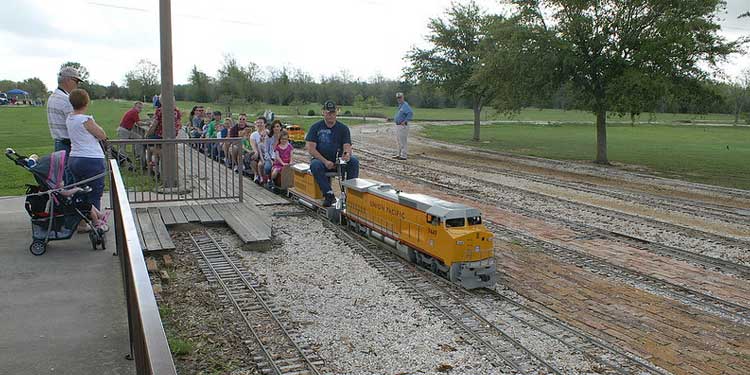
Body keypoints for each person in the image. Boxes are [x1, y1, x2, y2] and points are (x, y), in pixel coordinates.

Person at [66, 89, 109, 231]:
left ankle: (82, 223)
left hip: (74, 158)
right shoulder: (85, 119)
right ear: (86, 102)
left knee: (80, 191)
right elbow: (102, 135)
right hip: (91, 159)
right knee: (95, 192)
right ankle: (98, 224)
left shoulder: (70, 119)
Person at [305, 100, 359, 207]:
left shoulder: (343, 128)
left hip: (338, 162)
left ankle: (350, 194)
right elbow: (311, 149)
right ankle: (328, 194)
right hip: (322, 161)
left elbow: (347, 145)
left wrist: (346, 154)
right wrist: (325, 161)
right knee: (315, 165)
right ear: (323, 112)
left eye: (333, 113)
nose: (331, 115)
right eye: (328, 113)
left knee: (354, 161)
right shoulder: (315, 127)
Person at [47, 66, 82, 154]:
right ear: (68, 80)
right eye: (76, 81)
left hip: (58, 143)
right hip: (68, 145)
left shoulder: (52, 97)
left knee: (61, 167)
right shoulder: (66, 99)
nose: (77, 85)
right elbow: (76, 125)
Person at [393, 92, 413, 160]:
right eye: (398, 98)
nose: (399, 99)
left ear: (403, 97)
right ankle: (399, 154)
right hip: (398, 125)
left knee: (402, 141)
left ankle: (404, 155)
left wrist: (405, 121)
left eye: (400, 97)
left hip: (403, 126)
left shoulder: (405, 105)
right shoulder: (400, 105)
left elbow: (410, 113)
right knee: (398, 140)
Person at [249, 116, 268, 183]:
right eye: (257, 123)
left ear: (265, 124)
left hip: (266, 152)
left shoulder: (268, 133)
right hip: (258, 151)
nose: (259, 124)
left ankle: (264, 176)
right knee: (252, 156)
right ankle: (256, 174)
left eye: (261, 122)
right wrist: (256, 152)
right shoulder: (253, 134)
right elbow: (253, 145)